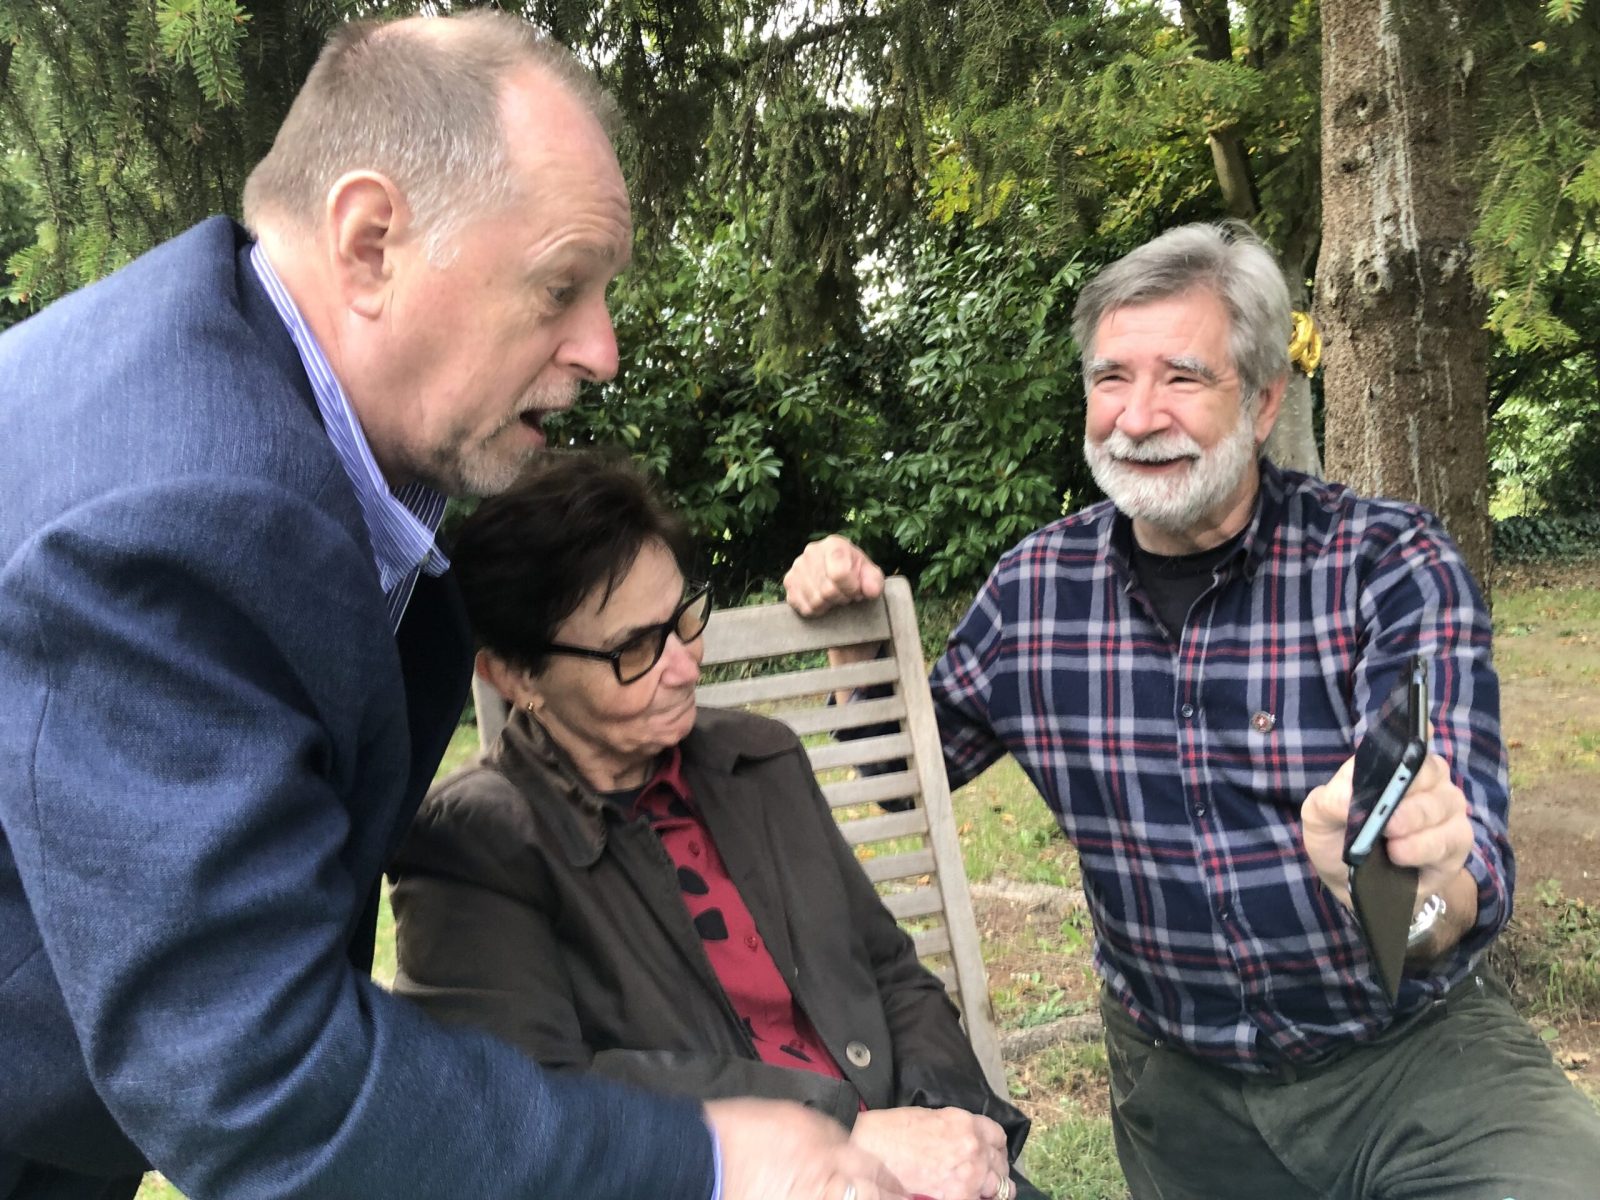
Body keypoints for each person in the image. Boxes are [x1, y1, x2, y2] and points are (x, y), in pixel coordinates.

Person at [0, 12, 898, 1200]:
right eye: (561, 286)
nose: (602, 349)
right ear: (370, 242)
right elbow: (260, 1082)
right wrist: (710, 1158)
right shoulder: (183, 511)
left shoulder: (246, 397)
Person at [784, 221, 1600, 1198]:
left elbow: (1446, 899)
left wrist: (1398, 887)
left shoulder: (1385, 564)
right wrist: (853, 638)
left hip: (1409, 1058)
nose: (1137, 417)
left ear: (1262, 402)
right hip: (1181, 1087)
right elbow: (895, 778)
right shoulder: (1034, 593)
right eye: (1110, 378)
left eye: (1182, 377)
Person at [387, 451, 1044, 1200]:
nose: (686, 665)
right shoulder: (475, 846)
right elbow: (530, 1103)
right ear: (513, 675)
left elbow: (889, 969)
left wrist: (945, 1129)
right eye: (635, 649)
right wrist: (847, 1136)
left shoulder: (761, 759)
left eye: (684, 619)